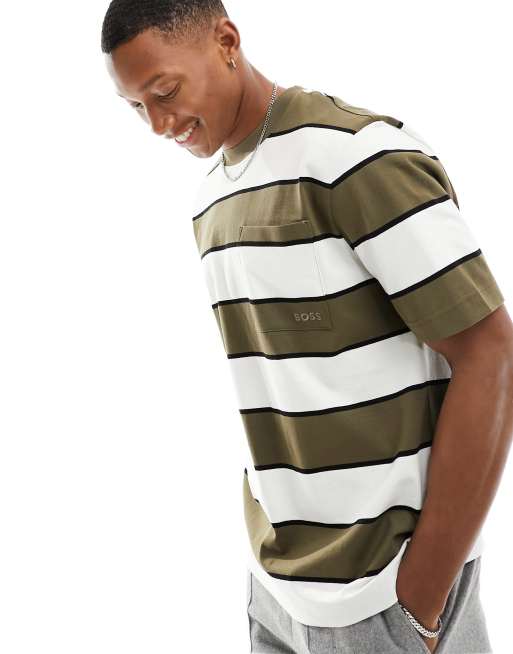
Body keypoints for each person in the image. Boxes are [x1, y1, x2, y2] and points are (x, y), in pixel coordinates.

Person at [101, 2, 513, 652]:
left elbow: (490, 352)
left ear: (226, 41)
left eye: (165, 91)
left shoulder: (355, 156)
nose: (157, 124)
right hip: (275, 590)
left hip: (382, 593)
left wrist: (423, 593)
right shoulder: (212, 203)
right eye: (135, 108)